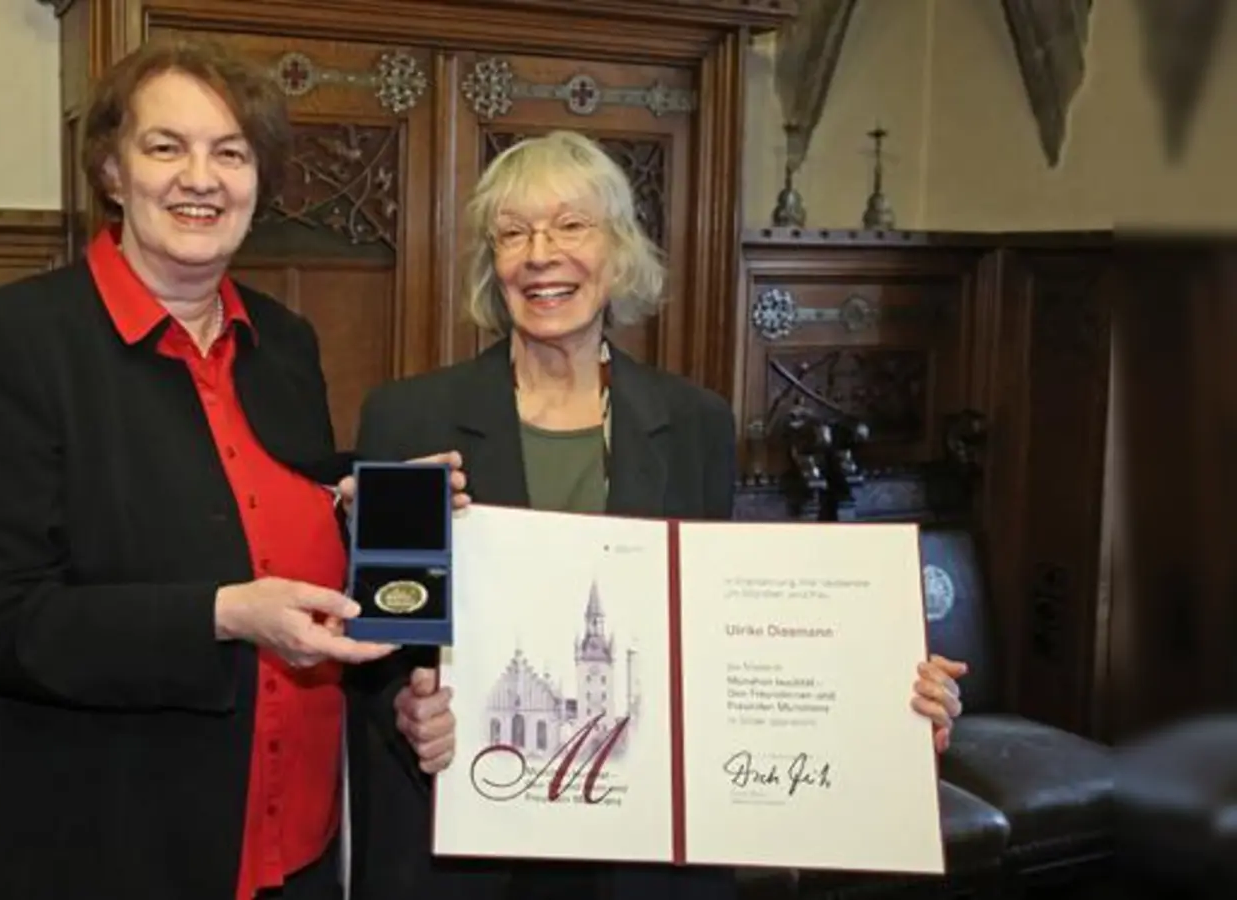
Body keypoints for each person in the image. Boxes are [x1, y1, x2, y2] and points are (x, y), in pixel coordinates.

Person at [345, 130, 969, 900]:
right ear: (492, 262)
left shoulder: (697, 423)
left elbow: (722, 639)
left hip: (643, 865)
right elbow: (373, 650)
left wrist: (886, 696)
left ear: (619, 252)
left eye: (572, 226)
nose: (541, 253)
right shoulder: (408, 420)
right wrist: (409, 711)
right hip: (467, 850)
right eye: (513, 232)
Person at [0, 36, 460, 900]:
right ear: (110, 169)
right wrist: (224, 616)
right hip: (116, 843)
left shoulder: (286, 344)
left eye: (231, 153)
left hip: (303, 843)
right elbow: (2, 620)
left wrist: (361, 511)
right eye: (166, 146)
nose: (201, 179)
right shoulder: (11, 341)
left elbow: (270, 504)